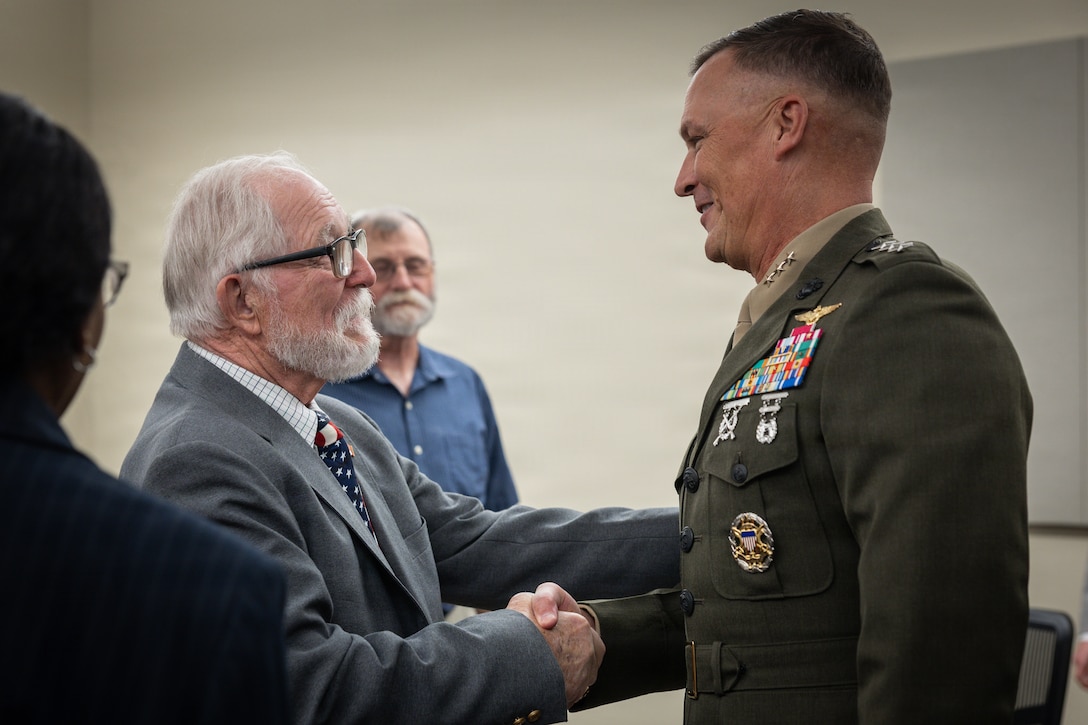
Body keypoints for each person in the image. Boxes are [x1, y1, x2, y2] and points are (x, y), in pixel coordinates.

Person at [566, 10, 1032, 723]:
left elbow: (943, 656)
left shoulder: (904, 311)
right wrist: (597, 640)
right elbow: (759, 617)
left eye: (697, 141)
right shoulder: (787, 320)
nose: (683, 178)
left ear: (787, 124)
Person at [120, 151, 679, 725]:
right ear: (243, 302)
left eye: (354, 243)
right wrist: (525, 648)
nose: (365, 275)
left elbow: (480, 542)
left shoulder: (335, 421)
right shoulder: (195, 460)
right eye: (332, 253)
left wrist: (700, 532)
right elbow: (311, 689)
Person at [0, 94, 290, 723]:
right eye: (334, 252)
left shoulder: (347, 427)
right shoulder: (205, 587)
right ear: (85, 321)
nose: (366, 275)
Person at [322, 207, 518, 511]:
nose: (403, 282)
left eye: (415, 266)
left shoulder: (465, 383)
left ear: (433, 274)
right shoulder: (321, 390)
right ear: (354, 277)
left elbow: (502, 511)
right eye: (384, 267)